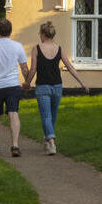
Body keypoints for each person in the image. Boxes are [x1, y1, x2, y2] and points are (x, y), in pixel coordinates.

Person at [23, 20, 89, 155]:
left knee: (46, 116)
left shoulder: (36, 48)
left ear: (43, 34)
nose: (39, 36)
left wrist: (27, 83)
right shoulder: (59, 49)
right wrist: (82, 82)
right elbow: (70, 67)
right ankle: (48, 139)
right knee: (52, 115)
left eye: (39, 33)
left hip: (42, 87)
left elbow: (33, 69)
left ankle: (51, 143)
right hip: (57, 87)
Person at [0, 18, 30, 157]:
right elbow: (24, 68)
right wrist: (27, 82)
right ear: (11, 31)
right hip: (13, 86)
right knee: (13, 113)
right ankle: (15, 145)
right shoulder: (18, 46)